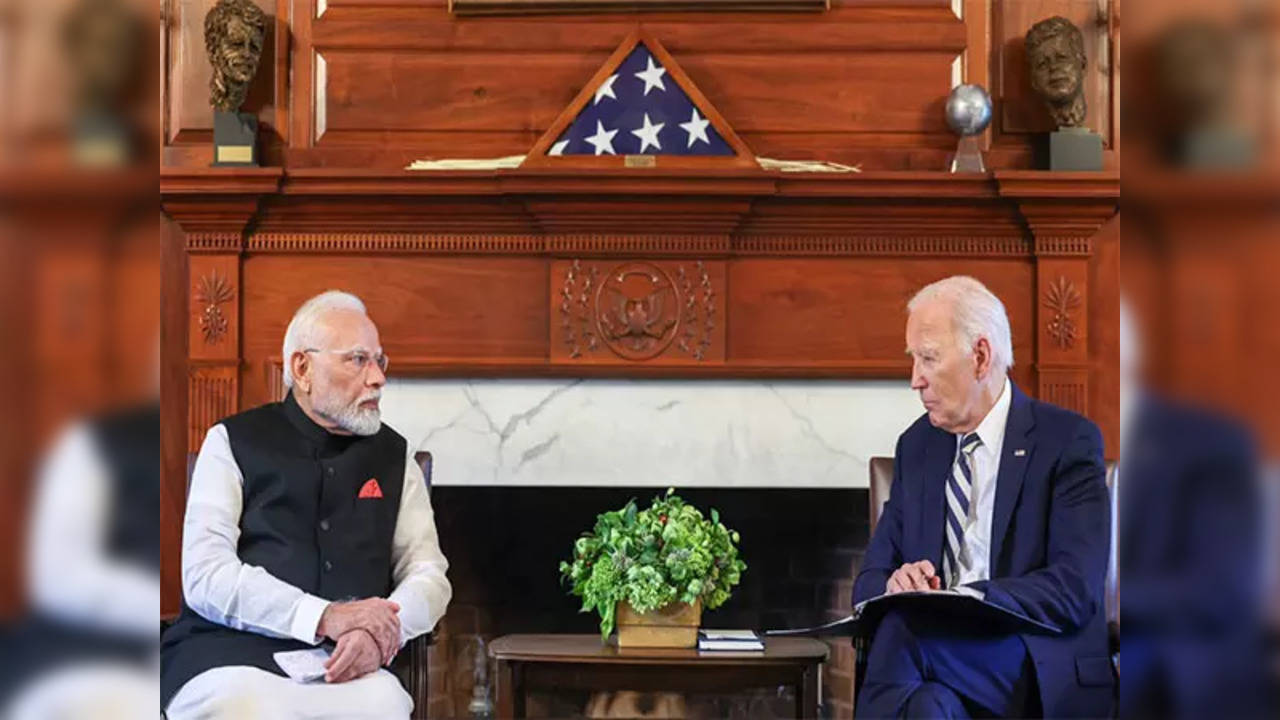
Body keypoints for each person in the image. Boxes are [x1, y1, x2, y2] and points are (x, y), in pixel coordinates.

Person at [161, 290, 450, 719]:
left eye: (379, 361)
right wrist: (323, 616)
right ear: (303, 368)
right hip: (225, 655)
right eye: (358, 360)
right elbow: (205, 576)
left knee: (384, 704)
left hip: (343, 663)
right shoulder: (230, 442)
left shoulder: (395, 457)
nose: (377, 379)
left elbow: (429, 575)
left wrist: (381, 634)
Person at [853, 276, 1112, 718]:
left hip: (1035, 662)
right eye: (913, 359)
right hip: (939, 670)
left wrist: (969, 600)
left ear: (980, 357)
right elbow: (868, 581)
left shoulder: (1067, 441)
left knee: (905, 633)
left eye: (929, 358)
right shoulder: (917, 448)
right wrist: (895, 584)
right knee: (927, 705)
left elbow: (1074, 589)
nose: (915, 380)